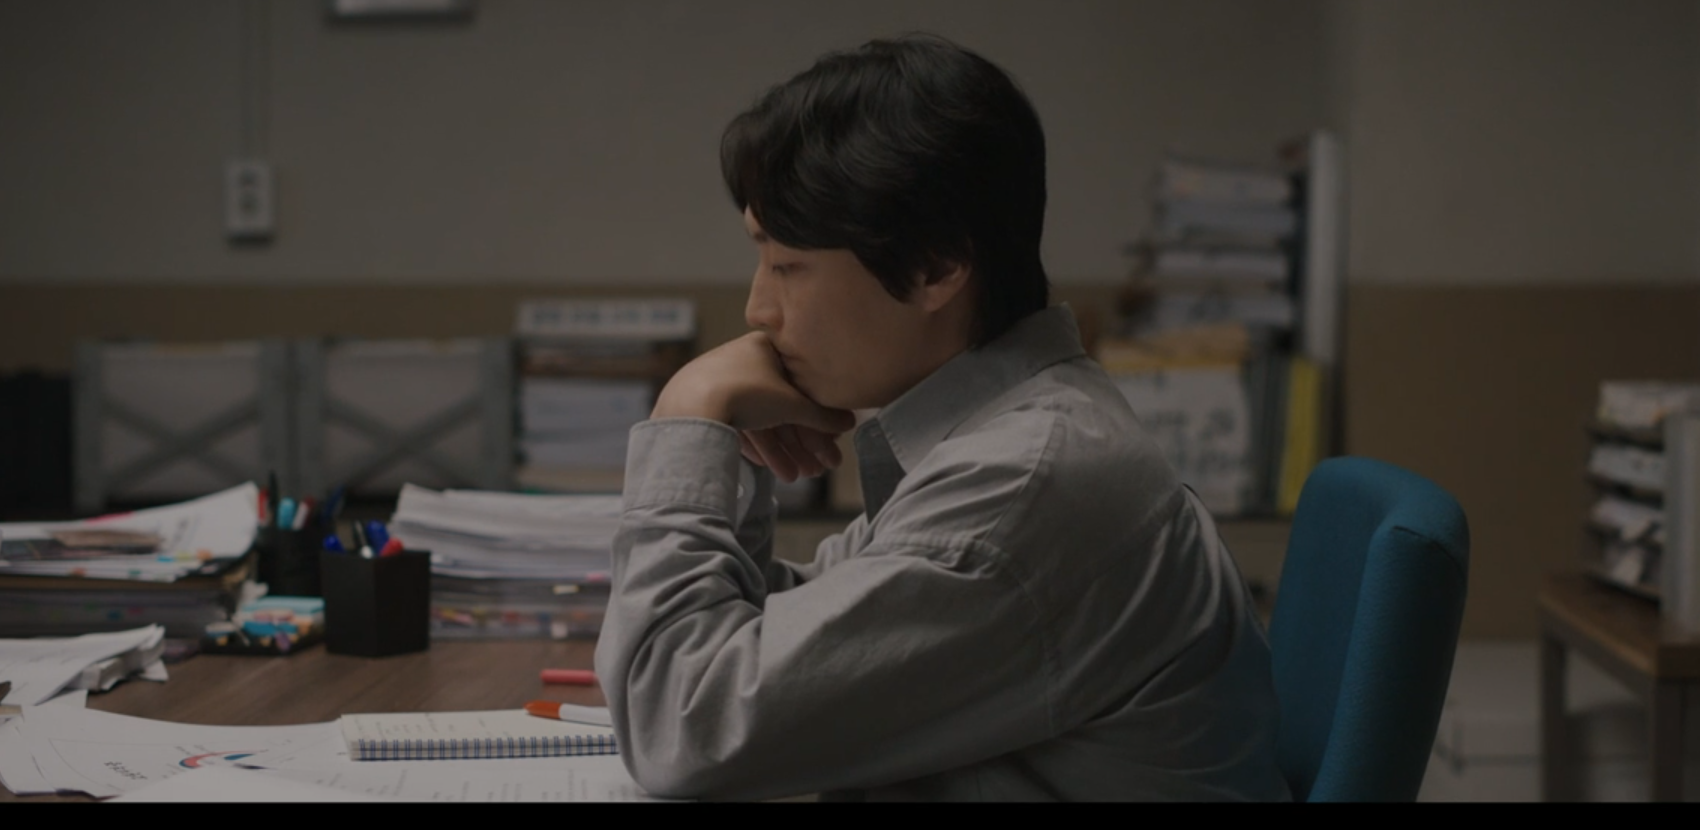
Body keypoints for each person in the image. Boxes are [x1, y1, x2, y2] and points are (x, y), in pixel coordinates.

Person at [592, 33, 1291, 802]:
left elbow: (680, 727)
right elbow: (790, 639)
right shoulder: (1007, 436)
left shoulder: (1022, 484)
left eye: (788, 266)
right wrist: (733, 460)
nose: (759, 311)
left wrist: (686, 410)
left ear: (934, 265)